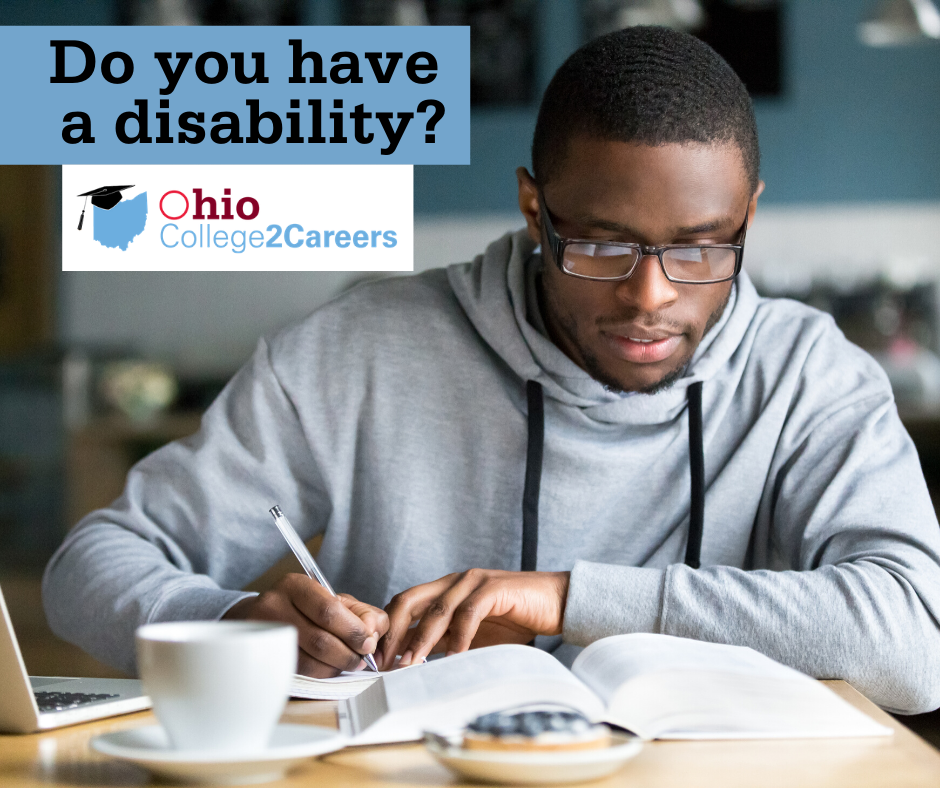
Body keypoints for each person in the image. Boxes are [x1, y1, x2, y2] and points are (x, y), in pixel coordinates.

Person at [44, 26, 940, 714]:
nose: (650, 299)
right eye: (602, 245)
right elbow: (90, 564)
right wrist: (234, 624)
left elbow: (916, 643)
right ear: (533, 207)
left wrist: (565, 599)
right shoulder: (354, 352)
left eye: (702, 248)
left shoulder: (809, 375)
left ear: (748, 214)